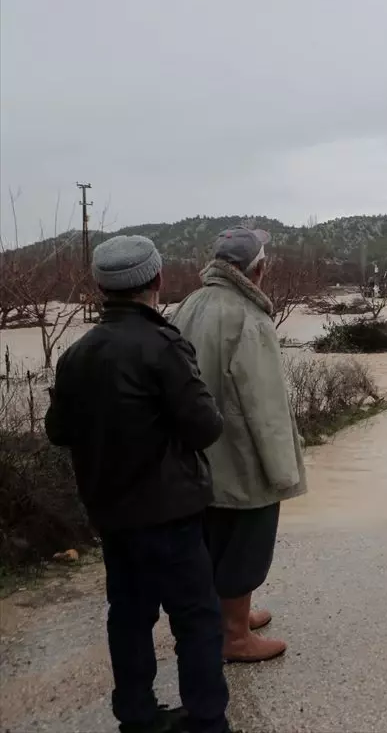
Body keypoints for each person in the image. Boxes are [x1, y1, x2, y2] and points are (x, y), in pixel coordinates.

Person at [45, 236, 233, 733]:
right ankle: (208, 721)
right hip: (170, 513)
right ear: (158, 280)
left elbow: (58, 431)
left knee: (128, 617)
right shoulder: (163, 346)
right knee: (196, 618)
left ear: (101, 288)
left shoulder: (76, 355)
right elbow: (204, 428)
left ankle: (136, 715)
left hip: (111, 514)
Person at [171, 227, 306, 663]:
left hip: (200, 453)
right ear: (258, 269)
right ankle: (234, 636)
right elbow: (265, 405)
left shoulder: (190, 304)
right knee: (246, 544)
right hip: (241, 454)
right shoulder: (249, 316)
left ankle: (230, 618)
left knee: (214, 539)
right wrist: (283, 472)